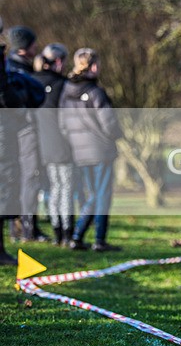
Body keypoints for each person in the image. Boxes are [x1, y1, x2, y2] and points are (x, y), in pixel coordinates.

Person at [59, 48, 123, 252]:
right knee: (101, 195)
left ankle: (78, 237)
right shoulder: (96, 92)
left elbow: (62, 123)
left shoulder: (66, 92)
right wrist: (118, 134)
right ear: (92, 66)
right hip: (101, 149)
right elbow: (109, 124)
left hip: (79, 152)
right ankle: (96, 239)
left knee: (92, 194)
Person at [0, 19, 45, 265]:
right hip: (9, 131)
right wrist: (18, 107)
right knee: (14, 181)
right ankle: (22, 229)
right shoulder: (13, 71)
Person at [32, 44, 74, 246]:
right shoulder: (63, 85)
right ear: (58, 62)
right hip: (62, 144)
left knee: (54, 187)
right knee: (65, 187)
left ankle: (57, 230)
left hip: (41, 144)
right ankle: (66, 232)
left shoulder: (32, 81)